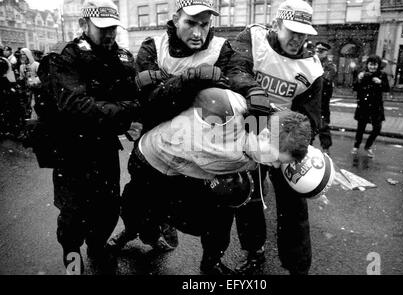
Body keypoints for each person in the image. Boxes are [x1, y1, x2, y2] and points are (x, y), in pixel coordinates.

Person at [107, 0, 239, 274]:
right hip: (153, 149)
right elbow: (150, 102)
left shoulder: (221, 49)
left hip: (200, 152)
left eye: (204, 24)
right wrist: (194, 79)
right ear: (176, 18)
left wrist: (170, 83)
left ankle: (211, 262)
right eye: (191, 23)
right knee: (135, 203)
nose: (197, 32)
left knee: (219, 210)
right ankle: (133, 231)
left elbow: (229, 92)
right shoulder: (152, 46)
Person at [128, 85, 311, 275]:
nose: (273, 166)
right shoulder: (225, 113)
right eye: (276, 160)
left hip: (185, 167)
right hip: (151, 161)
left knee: (218, 217)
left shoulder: (262, 130)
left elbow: (283, 125)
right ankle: (137, 228)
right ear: (265, 136)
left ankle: (211, 263)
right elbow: (206, 94)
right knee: (145, 211)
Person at [38, 0, 139, 274]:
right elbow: (76, 106)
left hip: (104, 147)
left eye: (113, 29)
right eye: (102, 28)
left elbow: (136, 93)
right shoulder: (65, 57)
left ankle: (97, 248)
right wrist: (126, 112)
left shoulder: (122, 57)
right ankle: (73, 262)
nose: (109, 35)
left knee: (108, 209)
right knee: (73, 217)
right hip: (71, 150)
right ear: (83, 25)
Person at [226, 0, 324, 275]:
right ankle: (254, 252)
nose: (298, 39)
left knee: (294, 204)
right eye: (292, 31)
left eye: (304, 33)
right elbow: (234, 71)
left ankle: (297, 266)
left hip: (283, 137)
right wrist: (254, 93)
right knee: (249, 197)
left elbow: (311, 118)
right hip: (251, 127)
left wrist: (298, 143)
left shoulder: (312, 69)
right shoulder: (252, 39)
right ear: (276, 24)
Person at [351, 54, 390, 158]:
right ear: (367, 65)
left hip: (376, 106)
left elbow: (387, 88)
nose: (372, 67)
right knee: (361, 128)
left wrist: (380, 82)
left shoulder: (382, 75)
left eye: (375, 65)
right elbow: (355, 88)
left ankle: (368, 146)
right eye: (371, 64)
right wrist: (358, 79)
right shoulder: (363, 74)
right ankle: (356, 145)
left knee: (377, 128)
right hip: (363, 105)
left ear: (378, 65)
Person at [315, 41, 336, 155]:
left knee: (323, 127)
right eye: (317, 50)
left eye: (321, 51)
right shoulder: (311, 62)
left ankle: (326, 150)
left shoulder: (330, 66)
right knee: (308, 125)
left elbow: (324, 80)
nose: (318, 53)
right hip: (311, 101)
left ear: (326, 52)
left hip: (322, 101)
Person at [18, 48, 40, 119]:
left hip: (36, 88)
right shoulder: (21, 66)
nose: (22, 56)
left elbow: (41, 76)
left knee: (35, 103)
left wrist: (35, 82)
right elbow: (21, 77)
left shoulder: (36, 64)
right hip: (27, 89)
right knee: (28, 103)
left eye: (24, 54)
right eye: (21, 54)